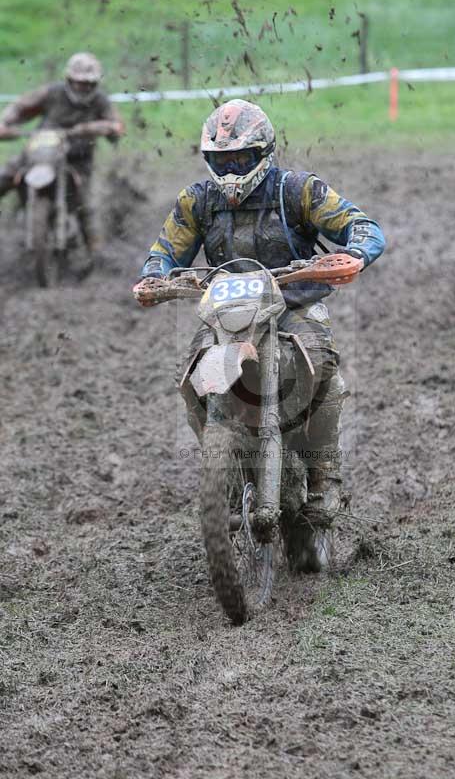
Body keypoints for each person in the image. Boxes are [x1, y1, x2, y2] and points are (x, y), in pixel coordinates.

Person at [138, 98, 386, 571]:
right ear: (207, 160)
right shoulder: (197, 201)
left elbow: (363, 226)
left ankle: (322, 477)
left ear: (264, 154)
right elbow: (164, 250)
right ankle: (223, 460)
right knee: (192, 376)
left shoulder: (298, 191)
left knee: (322, 367)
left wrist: (355, 252)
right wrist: (155, 276)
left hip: (294, 304)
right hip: (229, 313)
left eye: (240, 159)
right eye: (220, 161)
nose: (230, 170)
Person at [0, 52, 124, 266]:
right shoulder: (52, 93)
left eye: (88, 84)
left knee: (86, 206)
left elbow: (117, 126)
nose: (82, 88)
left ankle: (97, 257)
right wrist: (6, 121)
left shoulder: (101, 101)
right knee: (5, 175)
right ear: (69, 80)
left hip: (78, 159)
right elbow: (21, 107)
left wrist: (104, 128)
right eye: (78, 83)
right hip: (40, 151)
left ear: (95, 83)